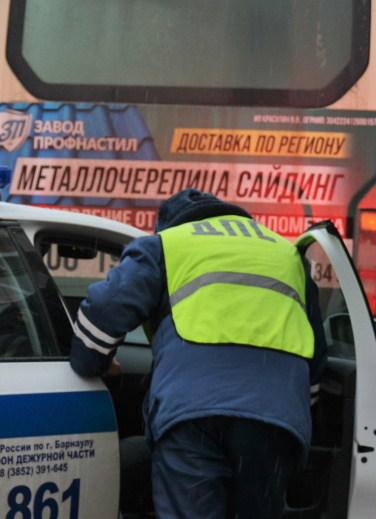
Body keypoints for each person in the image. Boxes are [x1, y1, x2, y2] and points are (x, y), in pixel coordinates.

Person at [70, 189, 325, 519]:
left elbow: (102, 312)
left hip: (191, 414)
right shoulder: (287, 254)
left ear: (168, 225)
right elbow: (315, 362)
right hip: (274, 421)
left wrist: (96, 364)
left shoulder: (167, 244)